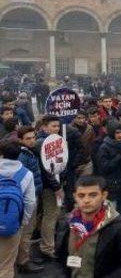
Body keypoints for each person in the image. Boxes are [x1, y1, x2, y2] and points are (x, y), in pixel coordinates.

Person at [56, 175, 121, 278]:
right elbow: (60, 260)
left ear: (104, 195)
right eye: (81, 195)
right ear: (75, 196)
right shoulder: (66, 223)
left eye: (93, 195)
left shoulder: (119, 226)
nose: (86, 200)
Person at [0, 141, 36, 278]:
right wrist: (22, 221)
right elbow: (30, 202)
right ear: (19, 155)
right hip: (12, 224)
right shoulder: (26, 174)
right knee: (6, 265)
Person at [36, 114, 65, 261]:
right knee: (50, 216)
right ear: (44, 127)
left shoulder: (52, 140)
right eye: (53, 126)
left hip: (53, 184)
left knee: (51, 215)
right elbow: (46, 170)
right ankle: (47, 248)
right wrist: (57, 187)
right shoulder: (43, 142)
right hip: (50, 187)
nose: (56, 129)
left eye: (58, 126)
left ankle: (48, 244)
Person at [16, 127, 44, 274]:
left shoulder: (30, 152)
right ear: (21, 140)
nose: (32, 140)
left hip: (33, 194)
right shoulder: (23, 156)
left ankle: (23, 257)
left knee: (27, 230)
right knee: (26, 231)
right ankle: (23, 261)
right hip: (28, 198)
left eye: (33, 137)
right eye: (28, 138)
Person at [95, 121, 121, 217]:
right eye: (117, 133)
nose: (120, 135)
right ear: (111, 133)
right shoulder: (104, 147)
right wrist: (119, 157)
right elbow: (104, 167)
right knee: (110, 216)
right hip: (112, 188)